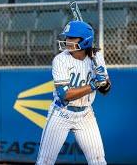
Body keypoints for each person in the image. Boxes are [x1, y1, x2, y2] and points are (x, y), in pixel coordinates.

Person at [36, 20, 112, 165]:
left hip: (85, 114)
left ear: (84, 41)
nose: (67, 40)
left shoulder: (97, 57)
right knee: (44, 161)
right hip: (61, 113)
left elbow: (106, 90)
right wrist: (94, 84)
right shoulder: (60, 60)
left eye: (72, 38)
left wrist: (104, 81)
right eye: (67, 37)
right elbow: (65, 94)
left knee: (98, 160)